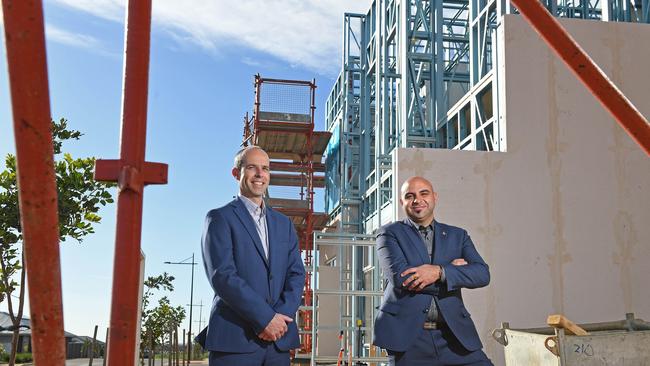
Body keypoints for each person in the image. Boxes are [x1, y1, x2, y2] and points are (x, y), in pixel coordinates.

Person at [200, 146, 305, 366]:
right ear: (236, 173)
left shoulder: (283, 224)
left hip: (278, 342)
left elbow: (295, 274)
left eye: (265, 168)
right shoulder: (219, 218)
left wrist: (280, 318)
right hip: (235, 341)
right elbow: (223, 276)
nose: (260, 174)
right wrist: (265, 319)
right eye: (252, 167)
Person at [373, 176, 492, 365]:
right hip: (409, 340)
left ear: (435, 197)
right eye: (410, 196)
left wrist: (439, 271)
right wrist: (455, 271)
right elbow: (402, 279)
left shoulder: (458, 235)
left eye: (424, 193)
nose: (417, 200)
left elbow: (482, 274)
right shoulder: (388, 234)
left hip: (454, 335)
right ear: (402, 202)